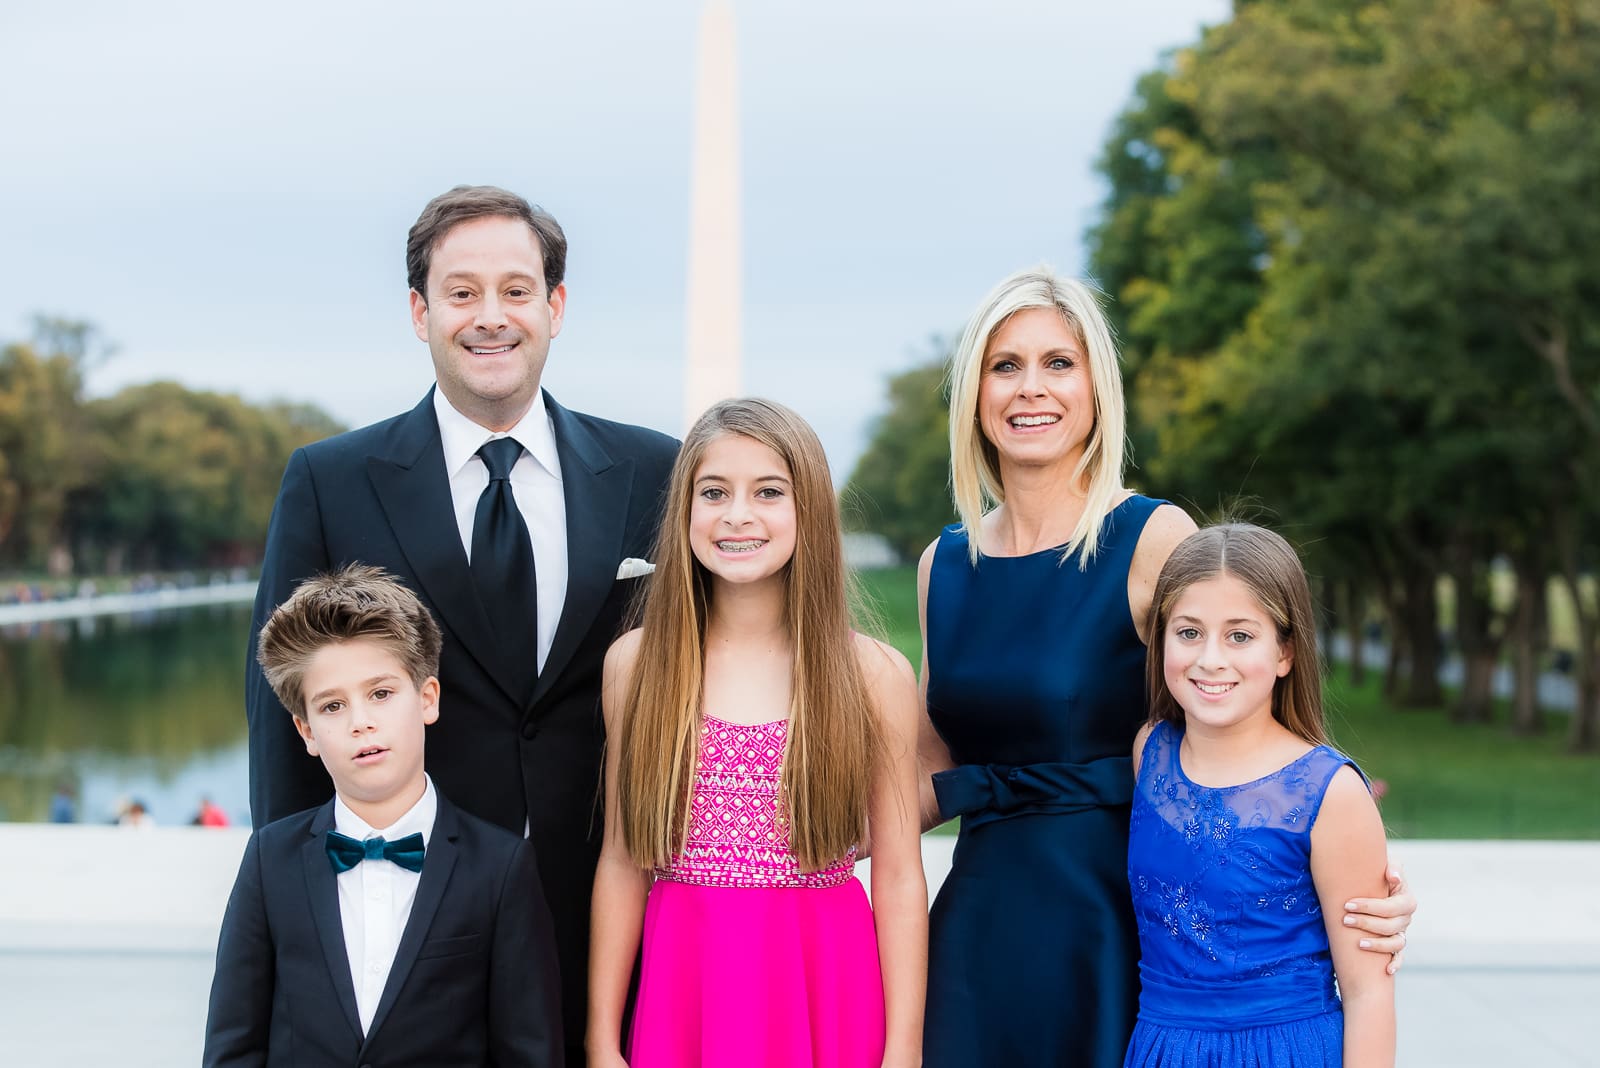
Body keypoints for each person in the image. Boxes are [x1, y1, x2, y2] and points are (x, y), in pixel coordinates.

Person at [915, 267, 1414, 1066]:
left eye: (1058, 363)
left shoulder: (1152, 536)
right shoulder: (941, 565)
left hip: (1118, 925)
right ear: (974, 392)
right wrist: (781, 845)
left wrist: (1349, 875)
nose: (1030, 387)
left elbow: (1238, 699)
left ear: (1096, 389)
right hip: (980, 924)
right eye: (1005, 365)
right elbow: (927, 770)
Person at [245, 185, 678, 1063]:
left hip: (610, 912)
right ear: (420, 311)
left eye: (517, 290)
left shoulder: (655, 470)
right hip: (409, 928)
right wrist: (294, 926)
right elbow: (283, 718)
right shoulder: (331, 482)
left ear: (555, 307)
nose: (491, 317)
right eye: (462, 292)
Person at [587, 399, 927, 1068]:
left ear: (810, 509)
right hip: (688, 992)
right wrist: (601, 1040)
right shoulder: (637, 665)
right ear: (684, 510)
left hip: (826, 989)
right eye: (714, 492)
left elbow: (898, 877)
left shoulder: (872, 674)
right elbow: (623, 861)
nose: (737, 514)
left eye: (768, 492)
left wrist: (904, 1049)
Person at [207, 564, 562, 1067]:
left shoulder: (501, 869)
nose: (361, 722)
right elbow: (233, 1047)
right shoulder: (270, 861)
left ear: (427, 699)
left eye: (380, 693)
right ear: (306, 732)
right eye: (332, 707)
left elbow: (529, 1053)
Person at [1124, 523, 1394, 1067]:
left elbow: (1369, 992)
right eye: (1189, 632)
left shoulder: (1332, 791)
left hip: (1282, 1050)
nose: (1210, 659)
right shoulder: (1150, 753)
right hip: (1163, 1047)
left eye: (1240, 636)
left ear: (1285, 651)